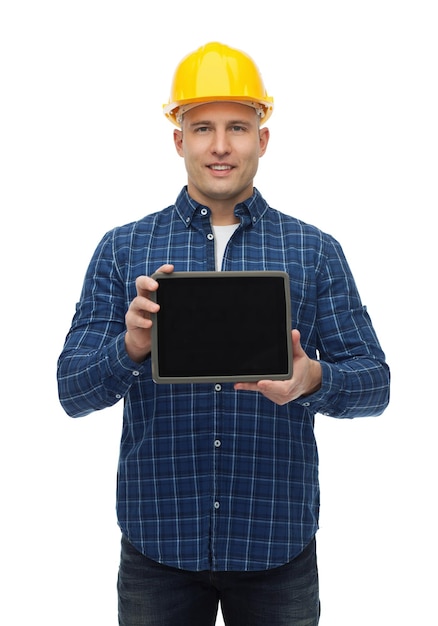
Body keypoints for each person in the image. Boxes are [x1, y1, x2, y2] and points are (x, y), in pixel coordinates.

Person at [57, 42, 390, 626]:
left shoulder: (314, 251)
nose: (219, 145)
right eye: (201, 127)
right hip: (157, 544)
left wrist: (313, 379)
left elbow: (375, 383)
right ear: (177, 138)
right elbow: (71, 391)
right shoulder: (123, 248)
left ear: (262, 139)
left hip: (276, 547)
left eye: (238, 126)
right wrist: (130, 348)